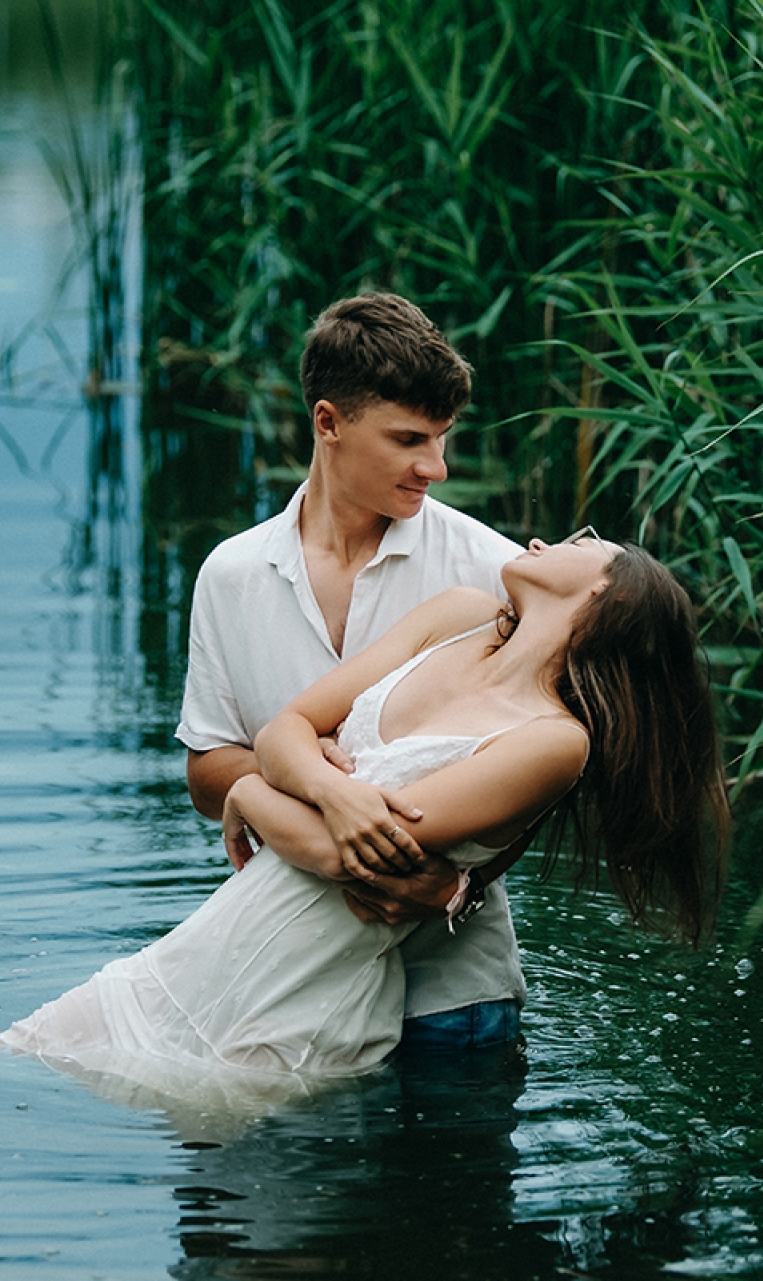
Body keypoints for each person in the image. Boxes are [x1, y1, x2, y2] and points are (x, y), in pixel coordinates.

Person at [0, 533, 729, 1110]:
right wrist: (316, 780)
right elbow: (288, 727)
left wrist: (255, 797)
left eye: (580, 544)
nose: (543, 542)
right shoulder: (456, 616)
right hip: (195, 958)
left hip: (304, 1002)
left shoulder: (555, 740)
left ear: (609, 594)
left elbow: (361, 860)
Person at [175, 292, 530, 1053]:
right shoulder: (231, 574)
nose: (435, 466)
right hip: (294, 985)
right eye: (409, 439)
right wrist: (302, 784)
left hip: (454, 990)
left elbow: (544, 774)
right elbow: (206, 770)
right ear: (328, 422)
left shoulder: (493, 570)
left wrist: (458, 886)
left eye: (441, 437)